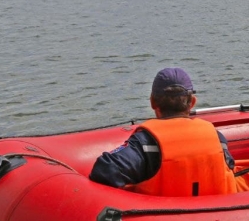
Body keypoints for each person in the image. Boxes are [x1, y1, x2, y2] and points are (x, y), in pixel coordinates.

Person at [89, 68, 237, 196]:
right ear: (192, 103)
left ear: (153, 102)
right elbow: (228, 166)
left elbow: (105, 170)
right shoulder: (217, 138)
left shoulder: (145, 144)